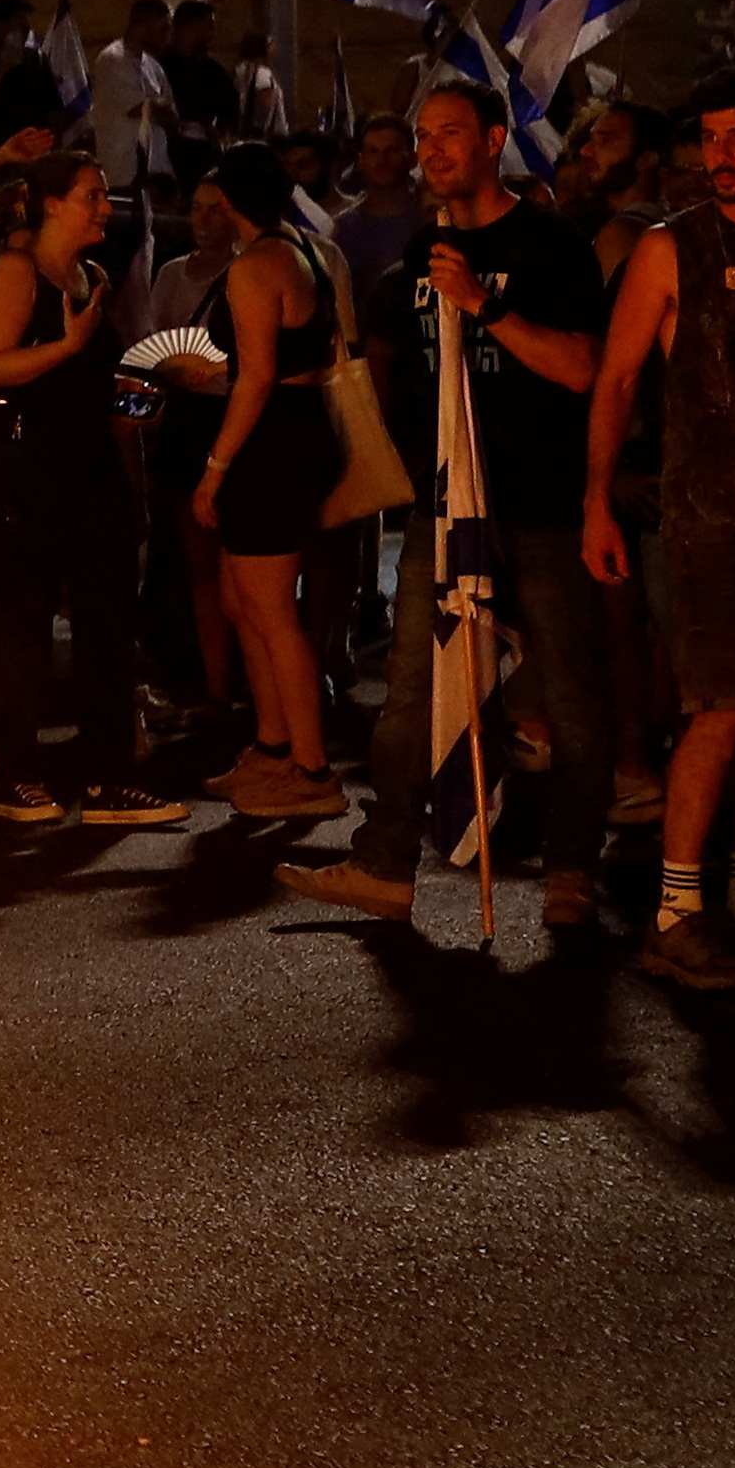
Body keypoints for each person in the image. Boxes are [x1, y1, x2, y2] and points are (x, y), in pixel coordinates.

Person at [295, 84, 613, 924]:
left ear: (494, 139)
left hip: (540, 504)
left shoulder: (550, 246)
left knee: (570, 694)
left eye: (450, 135)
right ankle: (386, 863)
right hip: (447, 508)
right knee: (411, 688)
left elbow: (583, 367)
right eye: (422, 136)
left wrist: (485, 304)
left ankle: (571, 869)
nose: (431, 151)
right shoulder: (421, 249)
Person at [586, 72, 735, 990]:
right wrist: (597, 499)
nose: (721, 154)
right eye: (710, 138)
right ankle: (677, 910)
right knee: (720, 708)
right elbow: (616, 380)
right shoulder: (668, 248)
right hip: (709, 519)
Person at [0, 160, 180, 827]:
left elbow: (93, 380)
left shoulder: (89, 279)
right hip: (29, 471)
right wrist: (68, 344)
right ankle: (18, 771)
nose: (104, 208)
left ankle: (109, 776)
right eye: (91, 196)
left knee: (105, 627)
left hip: (89, 470)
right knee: (23, 625)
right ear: (52, 204)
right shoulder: (16, 273)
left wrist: (138, 396)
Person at [178, 147, 354, 819]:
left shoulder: (255, 267)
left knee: (274, 611)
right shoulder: (301, 251)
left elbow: (256, 378)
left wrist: (214, 469)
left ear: (232, 202)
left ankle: (311, 769)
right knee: (240, 597)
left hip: (273, 442)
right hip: (296, 429)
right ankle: (274, 745)